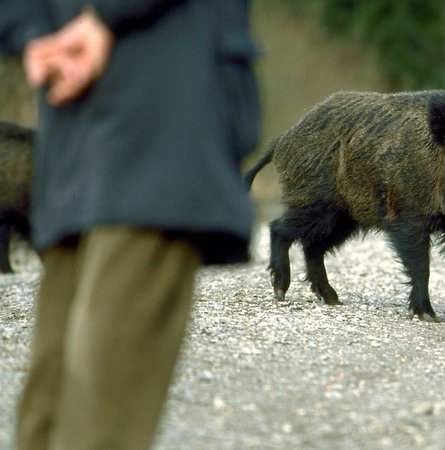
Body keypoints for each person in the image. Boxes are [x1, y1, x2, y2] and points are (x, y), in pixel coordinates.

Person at [0, 1, 261, 448]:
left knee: (52, 413)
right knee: (90, 418)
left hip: (76, 132)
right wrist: (70, 28)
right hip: (159, 116)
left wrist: (39, 37)